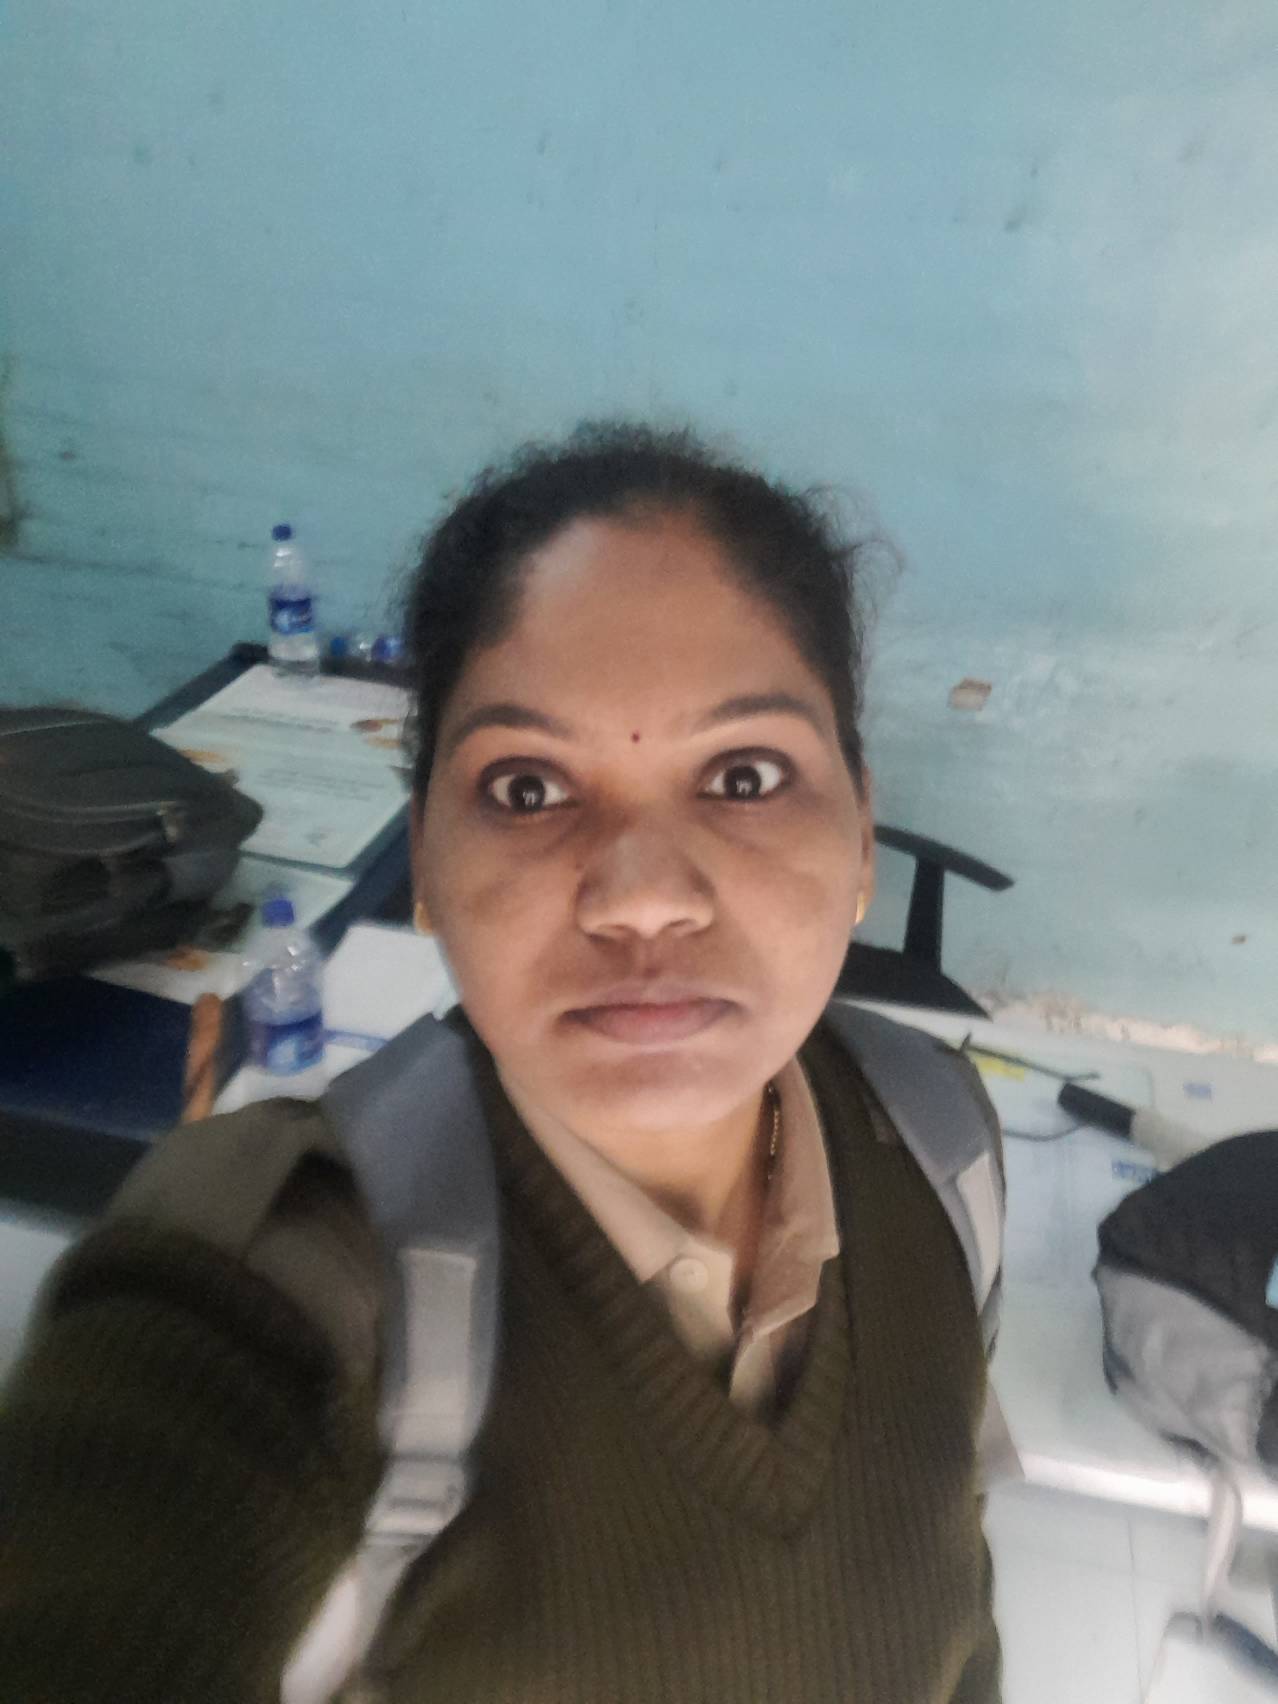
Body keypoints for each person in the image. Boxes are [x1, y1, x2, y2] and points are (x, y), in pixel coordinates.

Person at [0, 422, 1003, 1703]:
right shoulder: (291, 1269)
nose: (642, 899)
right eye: (528, 789)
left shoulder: (937, 1148)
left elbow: (956, 1619)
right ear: (424, 860)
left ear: (861, 833)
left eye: (744, 775)